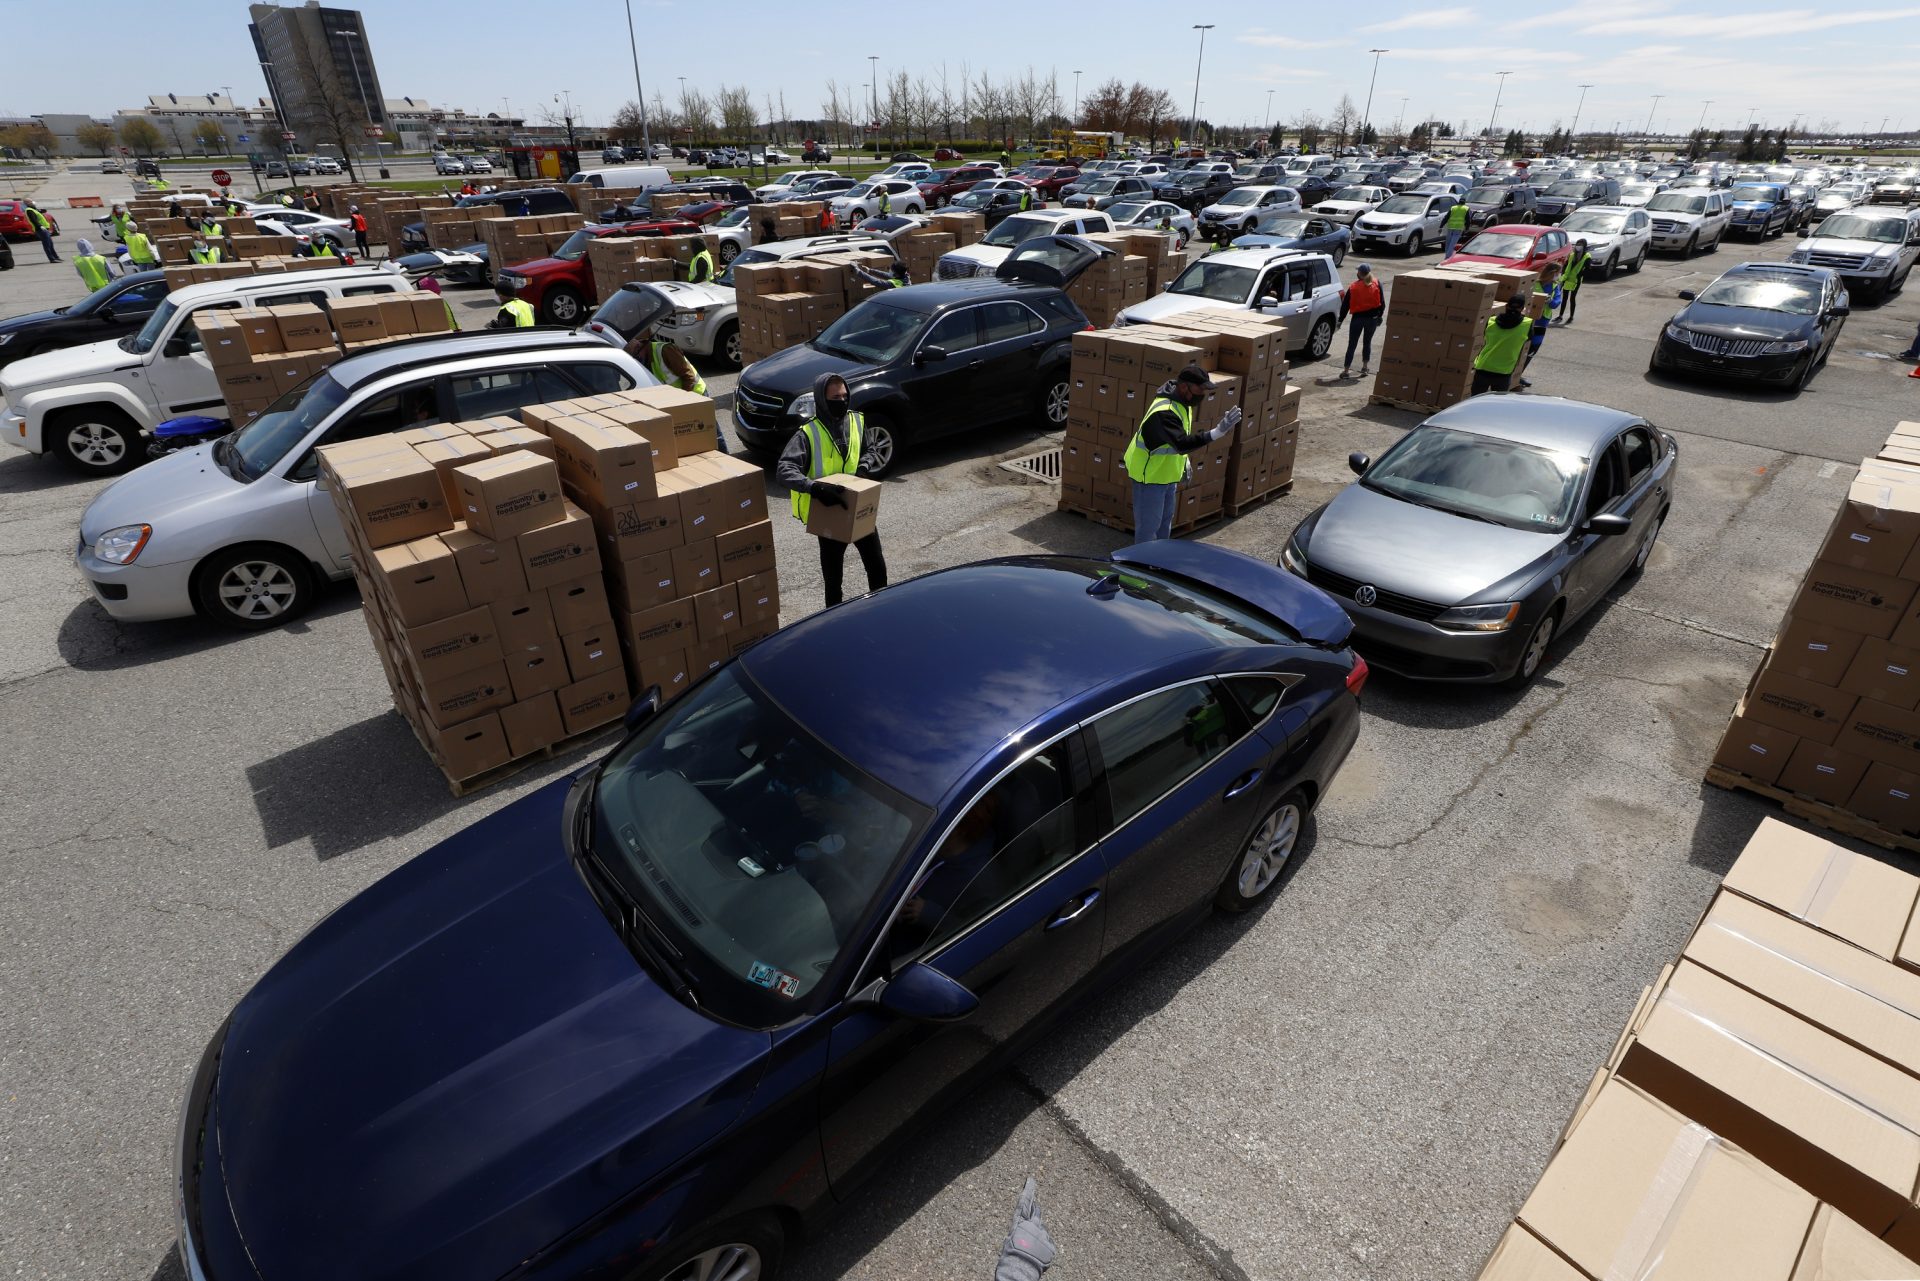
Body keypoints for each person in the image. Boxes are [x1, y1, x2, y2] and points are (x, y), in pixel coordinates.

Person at [777, 373, 887, 607]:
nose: (842, 401)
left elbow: (870, 448)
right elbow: (784, 470)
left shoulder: (857, 421)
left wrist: (865, 466)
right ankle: (833, 619)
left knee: (877, 567)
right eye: (835, 397)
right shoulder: (807, 433)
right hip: (829, 512)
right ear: (822, 400)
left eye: (845, 396)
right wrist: (815, 488)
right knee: (833, 580)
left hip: (857, 506)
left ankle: (881, 610)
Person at [1124, 364, 1241, 543]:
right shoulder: (1165, 412)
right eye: (1200, 389)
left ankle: (1159, 562)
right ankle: (1142, 566)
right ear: (1184, 386)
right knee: (1148, 530)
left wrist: (1183, 462)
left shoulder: (1183, 402)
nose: (1203, 393)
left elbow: (1173, 441)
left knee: (1164, 524)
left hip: (1166, 475)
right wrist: (1217, 432)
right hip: (1148, 477)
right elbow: (1181, 443)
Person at [1471, 295, 1532, 395]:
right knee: (1497, 404)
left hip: (1484, 366)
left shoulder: (1491, 321)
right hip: (1504, 371)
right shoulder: (1527, 325)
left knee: (1475, 399)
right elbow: (1529, 338)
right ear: (1522, 309)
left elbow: (1485, 335)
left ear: (1506, 306)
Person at [624, 327, 709, 395]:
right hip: (679, 399)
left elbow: (689, 376)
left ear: (640, 347)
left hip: (696, 394)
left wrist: (684, 399)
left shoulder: (666, 350)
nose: (638, 359)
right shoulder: (647, 359)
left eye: (637, 356)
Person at [1339, 263, 1385, 378]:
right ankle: (1364, 368)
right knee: (1367, 342)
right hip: (1372, 319)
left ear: (1359, 273)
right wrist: (1379, 316)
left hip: (1357, 319)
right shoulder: (1377, 283)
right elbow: (1382, 303)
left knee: (1352, 345)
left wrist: (1340, 320)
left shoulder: (1353, 286)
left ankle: (1346, 371)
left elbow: (1345, 305)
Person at [1520, 277, 1559, 390]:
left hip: (1542, 322)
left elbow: (1556, 303)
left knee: (1533, 349)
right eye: (1557, 273)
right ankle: (1513, 374)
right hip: (1528, 320)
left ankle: (1519, 374)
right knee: (1521, 347)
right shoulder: (1535, 283)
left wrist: (1550, 301)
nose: (1558, 276)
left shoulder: (1554, 286)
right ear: (1551, 273)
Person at [1557, 240, 1591, 325]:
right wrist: (1563, 276)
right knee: (1564, 297)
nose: (1578, 246)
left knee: (1572, 298)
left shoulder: (1587, 256)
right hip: (1567, 278)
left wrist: (1580, 275)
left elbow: (1588, 269)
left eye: (1580, 245)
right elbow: (1566, 265)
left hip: (1576, 280)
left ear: (1584, 246)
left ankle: (1571, 316)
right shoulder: (1572, 255)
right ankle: (1560, 315)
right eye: (1577, 244)